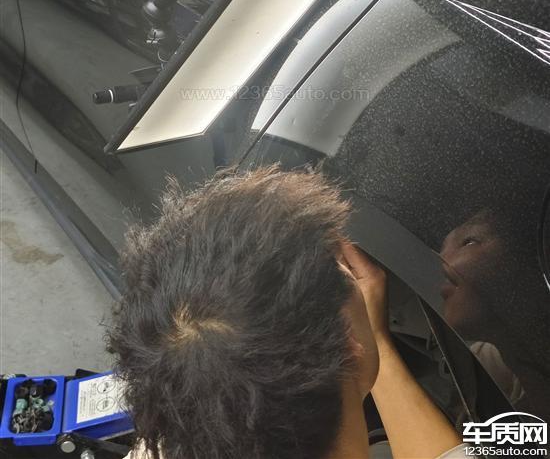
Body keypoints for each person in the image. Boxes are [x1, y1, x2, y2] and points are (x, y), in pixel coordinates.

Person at [109, 166, 465, 459]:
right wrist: (375, 343)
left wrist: (355, 341)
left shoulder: (172, 434)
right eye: (339, 269)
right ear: (348, 343)